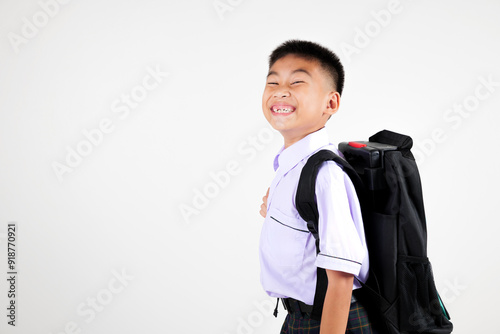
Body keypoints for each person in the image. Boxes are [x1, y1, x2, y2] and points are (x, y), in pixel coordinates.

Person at [258, 40, 376, 334]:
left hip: (334, 319)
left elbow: (341, 277)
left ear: (331, 103)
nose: (280, 90)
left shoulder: (324, 173)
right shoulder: (291, 166)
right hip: (301, 316)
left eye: (297, 82)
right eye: (272, 82)